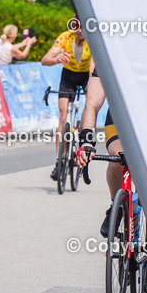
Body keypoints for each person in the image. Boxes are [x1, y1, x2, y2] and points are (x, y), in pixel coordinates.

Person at [75, 73, 147, 293]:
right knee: (117, 157)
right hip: (120, 117)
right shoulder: (108, 50)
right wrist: (86, 141)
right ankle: (117, 205)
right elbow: (92, 104)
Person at [41, 18, 92, 180]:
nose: (80, 30)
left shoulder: (93, 40)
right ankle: (59, 161)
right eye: (77, 26)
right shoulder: (65, 37)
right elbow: (44, 60)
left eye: (83, 27)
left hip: (86, 76)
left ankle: (82, 143)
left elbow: (93, 69)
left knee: (89, 106)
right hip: (68, 76)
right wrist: (57, 59)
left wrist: (90, 88)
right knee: (63, 117)